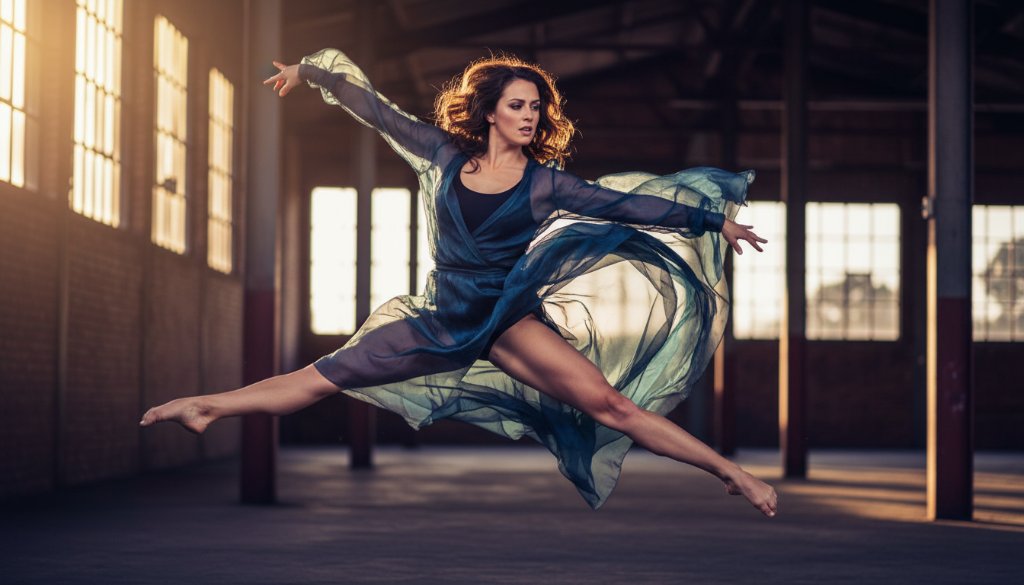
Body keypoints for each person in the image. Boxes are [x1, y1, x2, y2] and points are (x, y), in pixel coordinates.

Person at [140, 48, 777, 517]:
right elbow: (376, 111)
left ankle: (731, 474)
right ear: (492, 113)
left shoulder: (547, 185)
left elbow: (626, 205)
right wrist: (310, 74)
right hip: (443, 319)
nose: (530, 115)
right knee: (320, 378)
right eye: (518, 105)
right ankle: (207, 406)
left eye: (536, 107)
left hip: (507, 322)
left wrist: (710, 220)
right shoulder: (444, 154)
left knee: (611, 406)